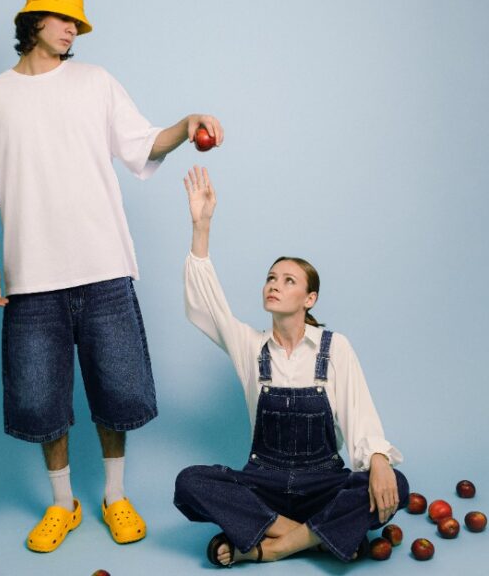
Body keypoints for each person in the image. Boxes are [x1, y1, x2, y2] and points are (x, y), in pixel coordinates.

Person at [0, 0, 223, 553]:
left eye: (76, 22)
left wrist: (187, 123)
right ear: (32, 21)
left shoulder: (95, 82)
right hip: (32, 275)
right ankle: (62, 504)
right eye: (62, 18)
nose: (72, 29)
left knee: (117, 391)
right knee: (39, 401)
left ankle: (114, 496)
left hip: (104, 266)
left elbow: (144, 143)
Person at [173, 166, 409, 566]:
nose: (274, 285)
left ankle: (271, 546)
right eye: (271, 278)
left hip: (324, 485)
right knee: (189, 482)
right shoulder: (249, 346)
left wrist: (380, 461)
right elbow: (204, 305)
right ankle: (314, 538)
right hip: (263, 485)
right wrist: (202, 226)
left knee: (397, 485)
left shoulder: (335, 348)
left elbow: (361, 416)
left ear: (309, 298)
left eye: (288, 280)